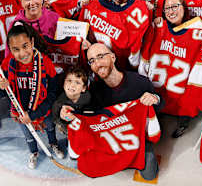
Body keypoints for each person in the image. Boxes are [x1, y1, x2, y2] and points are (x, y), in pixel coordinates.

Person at [64, 42, 162, 180]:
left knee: (149, 174)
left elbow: (158, 106)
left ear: (113, 57)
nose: (97, 63)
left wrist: (154, 99)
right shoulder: (94, 91)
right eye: (92, 61)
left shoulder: (139, 82)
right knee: (87, 165)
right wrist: (68, 112)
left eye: (100, 56)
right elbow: (85, 116)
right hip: (111, 139)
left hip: (136, 139)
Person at [139, 0, 202, 138]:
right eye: (167, 8)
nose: (171, 11)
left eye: (175, 6)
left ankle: (183, 123)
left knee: (185, 110)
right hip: (162, 88)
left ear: (184, 8)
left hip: (184, 92)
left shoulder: (200, 29)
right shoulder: (157, 26)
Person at [0, 21, 64, 168]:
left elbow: (53, 93)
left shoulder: (45, 62)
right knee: (28, 135)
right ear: (10, 49)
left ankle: (53, 144)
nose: (22, 53)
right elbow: (4, 93)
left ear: (32, 42)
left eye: (25, 46)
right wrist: (1, 86)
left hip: (43, 109)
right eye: (15, 49)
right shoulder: (7, 64)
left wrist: (34, 115)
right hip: (21, 112)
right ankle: (33, 152)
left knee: (50, 128)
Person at [80, 0, 150, 69]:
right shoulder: (95, 4)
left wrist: (152, 11)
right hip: (101, 64)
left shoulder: (141, 7)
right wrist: (84, 3)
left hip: (128, 66)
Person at [52, 66, 91, 134]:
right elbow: (56, 119)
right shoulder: (58, 103)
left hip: (85, 128)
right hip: (69, 130)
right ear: (63, 84)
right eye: (69, 80)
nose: (72, 85)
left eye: (77, 82)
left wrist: (78, 115)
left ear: (83, 88)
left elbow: (92, 113)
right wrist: (62, 119)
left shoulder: (88, 97)